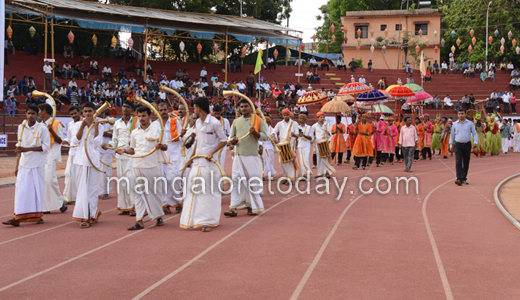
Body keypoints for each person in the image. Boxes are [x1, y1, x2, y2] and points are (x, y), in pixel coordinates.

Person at [180, 97, 227, 232]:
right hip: (197, 162)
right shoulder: (198, 123)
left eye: (194, 108)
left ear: (199, 108)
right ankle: (192, 220)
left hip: (210, 164)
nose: (193, 111)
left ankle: (208, 221)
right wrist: (191, 158)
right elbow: (198, 143)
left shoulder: (214, 122)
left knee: (208, 192)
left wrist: (212, 152)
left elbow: (224, 140)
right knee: (192, 190)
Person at [116, 106, 167, 230]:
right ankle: (139, 220)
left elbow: (165, 146)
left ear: (150, 116)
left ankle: (158, 216)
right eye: (140, 116)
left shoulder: (157, 129)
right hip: (137, 165)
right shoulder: (135, 132)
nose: (142, 118)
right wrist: (124, 150)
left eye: (144, 116)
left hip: (152, 165)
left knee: (154, 192)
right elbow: (133, 149)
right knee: (138, 194)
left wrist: (161, 146)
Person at [2, 105, 50, 226]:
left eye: (33, 113)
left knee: (37, 190)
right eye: (29, 113)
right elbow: (20, 147)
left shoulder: (42, 128)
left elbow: (45, 147)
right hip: (24, 163)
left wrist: (26, 149)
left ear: (37, 114)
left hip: (37, 164)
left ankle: (37, 216)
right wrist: (16, 166)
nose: (30, 116)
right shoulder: (21, 127)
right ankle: (17, 216)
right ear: (25, 114)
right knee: (21, 190)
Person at [224, 99, 267, 217]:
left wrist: (255, 133)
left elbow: (264, 137)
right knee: (237, 181)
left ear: (251, 108)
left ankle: (251, 206)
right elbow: (231, 137)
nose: (243, 108)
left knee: (251, 181)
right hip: (238, 155)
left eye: (245, 106)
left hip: (252, 156)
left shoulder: (258, 120)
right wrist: (233, 141)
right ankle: (233, 208)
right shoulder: (236, 122)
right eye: (241, 107)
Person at [71, 102, 103, 228]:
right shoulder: (78, 124)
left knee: (91, 189)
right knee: (81, 190)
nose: (88, 113)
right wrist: (83, 126)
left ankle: (88, 217)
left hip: (92, 161)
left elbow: (96, 143)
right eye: (85, 111)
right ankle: (90, 213)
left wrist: (94, 127)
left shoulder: (99, 125)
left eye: (90, 111)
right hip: (80, 160)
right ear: (82, 112)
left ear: (94, 112)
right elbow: (75, 141)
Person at [154, 102, 185, 214]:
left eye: (164, 109)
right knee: (163, 180)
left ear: (168, 110)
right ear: (157, 111)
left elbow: (182, 138)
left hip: (174, 155)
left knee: (174, 179)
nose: (162, 112)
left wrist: (182, 134)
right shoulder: (155, 124)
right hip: (161, 156)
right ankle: (166, 204)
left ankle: (178, 202)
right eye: (160, 110)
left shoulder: (175, 122)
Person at [37, 104, 67, 214]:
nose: (38, 113)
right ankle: (48, 206)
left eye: (39, 111)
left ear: (44, 111)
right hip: (42, 154)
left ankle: (59, 202)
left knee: (49, 179)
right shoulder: (39, 125)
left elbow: (60, 140)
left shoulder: (56, 123)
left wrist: (51, 131)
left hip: (52, 153)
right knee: (44, 180)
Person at [450, 109, 479, 186]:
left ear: (465, 114)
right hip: (458, 145)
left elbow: (475, 133)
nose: (461, 115)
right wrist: (451, 145)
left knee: (466, 162)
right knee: (458, 162)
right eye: (459, 114)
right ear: (457, 115)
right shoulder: (455, 124)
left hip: (467, 144)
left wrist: (475, 142)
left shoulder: (470, 124)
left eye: (462, 113)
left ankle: (464, 178)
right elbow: (452, 136)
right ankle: (459, 178)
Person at [273, 109, 299, 183]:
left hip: (290, 145)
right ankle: (286, 176)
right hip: (281, 146)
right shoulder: (279, 124)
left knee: (290, 161)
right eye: (284, 115)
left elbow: (297, 134)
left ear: (289, 115)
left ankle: (290, 178)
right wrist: (274, 137)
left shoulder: (294, 123)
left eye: (287, 115)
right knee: (281, 161)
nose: (286, 116)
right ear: (282, 115)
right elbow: (273, 132)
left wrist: (295, 135)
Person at [62, 106, 81, 204]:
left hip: (81, 153)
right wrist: (65, 141)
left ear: (79, 112)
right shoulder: (70, 124)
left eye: (75, 113)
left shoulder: (84, 123)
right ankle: (69, 197)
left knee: (79, 176)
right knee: (68, 174)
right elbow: (69, 138)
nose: (74, 116)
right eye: (71, 114)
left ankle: (79, 197)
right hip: (72, 152)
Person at [97, 109, 114, 200]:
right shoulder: (95, 121)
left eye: (100, 112)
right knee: (97, 172)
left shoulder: (110, 121)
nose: (98, 113)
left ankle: (106, 192)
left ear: (104, 112)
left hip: (107, 150)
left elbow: (115, 135)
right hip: (97, 150)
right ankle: (98, 191)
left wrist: (105, 133)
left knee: (106, 172)